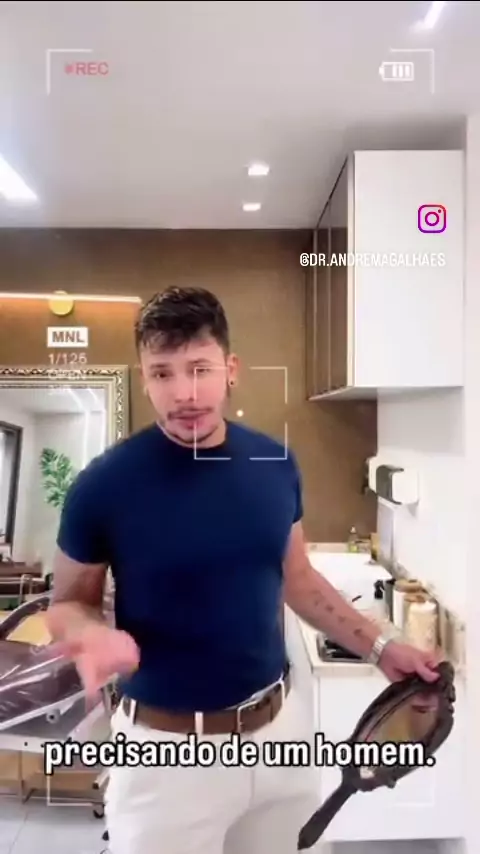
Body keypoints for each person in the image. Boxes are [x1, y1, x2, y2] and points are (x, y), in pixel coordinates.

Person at [46, 286, 440, 854]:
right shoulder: (104, 485)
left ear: (230, 370)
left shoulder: (275, 465)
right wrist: (91, 635)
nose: (184, 393)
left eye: (199, 369)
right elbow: (67, 603)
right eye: (162, 373)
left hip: (278, 737)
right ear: (144, 378)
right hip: (166, 755)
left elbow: (298, 579)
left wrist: (381, 647)